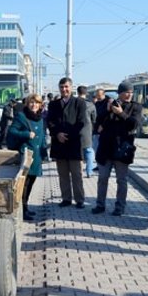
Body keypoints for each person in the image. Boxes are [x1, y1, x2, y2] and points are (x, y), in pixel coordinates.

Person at [92, 81, 143, 216]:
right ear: (119, 93)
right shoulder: (109, 104)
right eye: (126, 92)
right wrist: (108, 110)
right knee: (102, 178)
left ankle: (120, 207)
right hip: (106, 148)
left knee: (121, 180)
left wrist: (121, 113)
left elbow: (134, 124)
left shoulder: (135, 107)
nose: (129, 95)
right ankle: (100, 204)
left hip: (122, 149)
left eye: (131, 93)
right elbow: (97, 121)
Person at [47, 77, 87, 208]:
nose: (64, 89)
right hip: (59, 144)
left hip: (74, 143)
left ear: (71, 87)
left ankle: (79, 199)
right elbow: (50, 121)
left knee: (76, 174)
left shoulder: (79, 103)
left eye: (66, 87)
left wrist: (68, 135)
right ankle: (66, 198)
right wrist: (57, 133)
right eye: (62, 87)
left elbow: (81, 122)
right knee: (63, 174)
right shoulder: (53, 104)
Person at [8, 94, 47, 221]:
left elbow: (42, 137)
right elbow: (12, 131)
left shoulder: (41, 118)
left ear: (40, 105)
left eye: (36, 103)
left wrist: (44, 152)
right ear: (27, 103)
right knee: (24, 184)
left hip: (37, 156)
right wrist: (26, 134)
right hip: (26, 155)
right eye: (31, 102)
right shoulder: (21, 116)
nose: (34, 105)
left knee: (30, 184)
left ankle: (26, 207)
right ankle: (22, 210)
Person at [77, 85, 97, 178]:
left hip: (75, 129)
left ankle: (79, 171)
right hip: (87, 129)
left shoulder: (74, 102)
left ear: (78, 92)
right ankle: (89, 172)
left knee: (78, 151)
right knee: (89, 150)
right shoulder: (91, 104)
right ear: (86, 93)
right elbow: (94, 119)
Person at [92, 89, 108, 168]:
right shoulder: (97, 103)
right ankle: (99, 164)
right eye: (96, 95)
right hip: (96, 129)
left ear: (103, 94)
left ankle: (102, 164)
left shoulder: (108, 102)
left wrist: (103, 125)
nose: (97, 97)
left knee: (102, 148)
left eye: (99, 95)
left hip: (104, 130)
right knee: (96, 148)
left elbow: (108, 116)